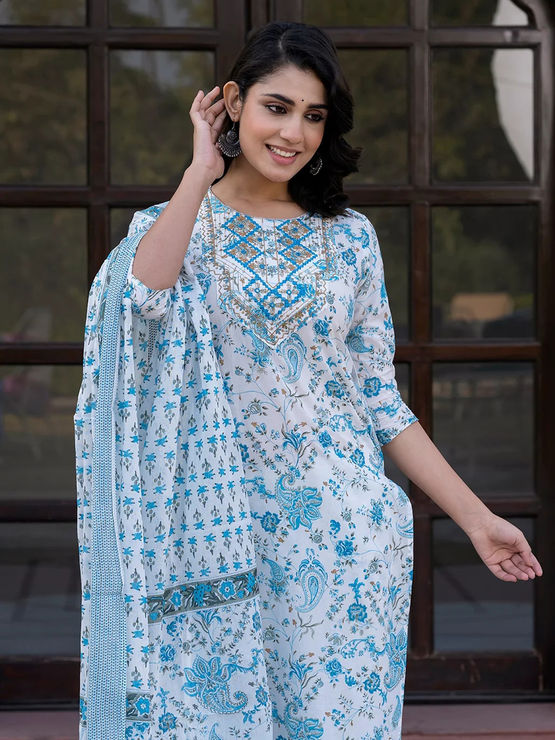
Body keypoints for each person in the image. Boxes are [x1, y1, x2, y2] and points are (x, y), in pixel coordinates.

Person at [74, 20, 543, 740]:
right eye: (277, 107)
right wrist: (198, 172)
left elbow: (379, 400)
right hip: (212, 541)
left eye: (314, 115)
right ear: (233, 102)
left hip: (341, 538)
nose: (294, 132)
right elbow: (139, 303)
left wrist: (477, 521)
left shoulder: (349, 238)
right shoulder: (174, 225)